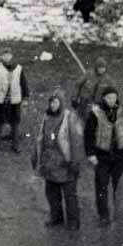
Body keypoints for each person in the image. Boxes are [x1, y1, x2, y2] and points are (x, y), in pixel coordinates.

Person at [31, 89, 84, 231]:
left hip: (65, 164)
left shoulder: (69, 117)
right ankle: (57, 217)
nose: (52, 105)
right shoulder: (46, 117)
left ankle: (73, 221)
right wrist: (36, 155)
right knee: (52, 193)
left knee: (70, 195)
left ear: (61, 103)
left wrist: (75, 161)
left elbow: (76, 141)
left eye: (55, 102)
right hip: (50, 164)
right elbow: (40, 137)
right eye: (51, 102)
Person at [84, 86, 123, 227]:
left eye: (114, 97)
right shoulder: (95, 113)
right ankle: (104, 216)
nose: (112, 100)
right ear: (103, 98)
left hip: (119, 156)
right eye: (109, 98)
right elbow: (88, 135)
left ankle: (120, 214)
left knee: (119, 187)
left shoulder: (121, 111)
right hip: (102, 157)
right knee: (101, 187)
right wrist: (90, 154)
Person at [0, 47, 29, 153]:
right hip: (0, 100)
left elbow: (24, 84)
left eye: (8, 55)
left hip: (15, 101)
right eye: (4, 55)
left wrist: (25, 98)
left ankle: (15, 145)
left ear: (12, 56)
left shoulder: (19, 69)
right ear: (1, 57)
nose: (6, 57)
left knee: (15, 123)